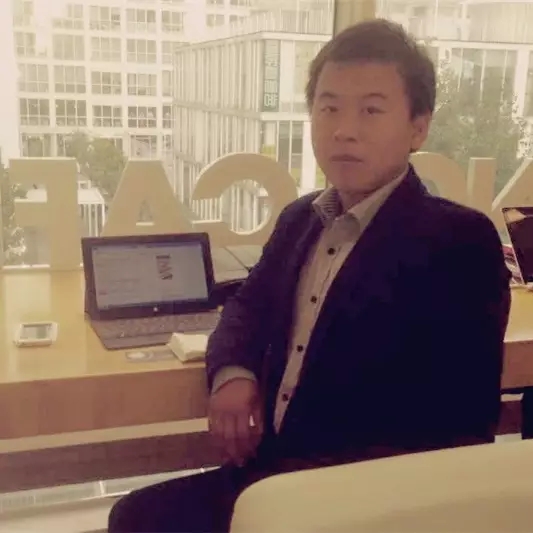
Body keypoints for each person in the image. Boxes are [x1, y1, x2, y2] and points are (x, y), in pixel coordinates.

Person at [109, 18, 511, 533]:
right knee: (138, 516)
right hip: (273, 472)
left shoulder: (460, 241)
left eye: (371, 110)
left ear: (418, 127)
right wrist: (233, 374)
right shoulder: (301, 219)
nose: (344, 129)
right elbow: (247, 306)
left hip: (368, 499)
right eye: (329, 107)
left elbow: (463, 423)